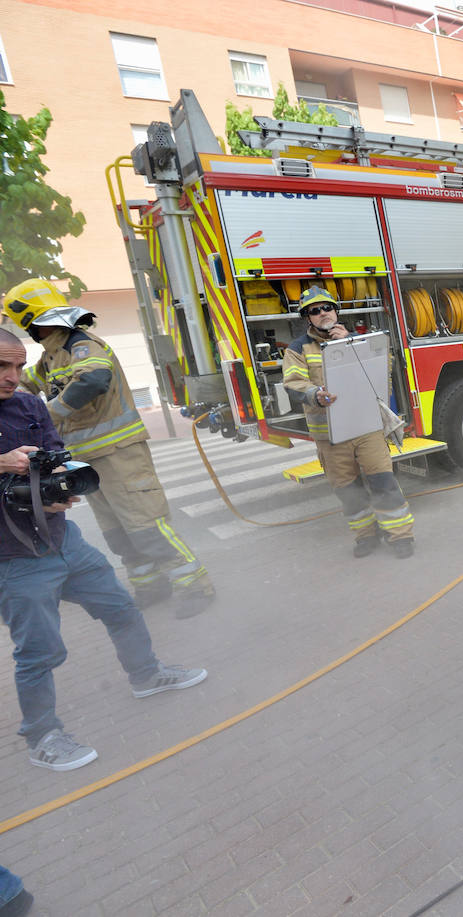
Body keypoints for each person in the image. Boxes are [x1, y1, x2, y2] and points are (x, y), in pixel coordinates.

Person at [0, 327, 206, 772]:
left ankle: (147, 674)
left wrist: (59, 484)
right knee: (39, 652)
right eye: (3, 366)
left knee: (121, 608)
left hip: (62, 540)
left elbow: (54, 451)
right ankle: (43, 737)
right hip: (13, 559)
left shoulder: (30, 404)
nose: (13, 376)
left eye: (18, 366)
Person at [3, 280, 215, 618]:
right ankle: (150, 584)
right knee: (117, 532)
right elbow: (25, 384)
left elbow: (92, 380)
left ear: (32, 318)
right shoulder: (51, 357)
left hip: (120, 454)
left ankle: (194, 584)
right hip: (87, 459)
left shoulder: (81, 344)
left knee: (146, 525)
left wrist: (49, 412)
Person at [281, 287, 415, 559]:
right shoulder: (297, 349)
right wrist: (315, 394)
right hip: (331, 436)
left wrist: (351, 342)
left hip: (367, 428)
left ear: (336, 311)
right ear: (308, 318)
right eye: (314, 311)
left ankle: (400, 536)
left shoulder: (359, 340)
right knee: (348, 491)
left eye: (326, 308)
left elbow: (381, 369)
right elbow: (294, 383)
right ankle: (366, 536)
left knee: (383, 482)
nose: (322, 314)